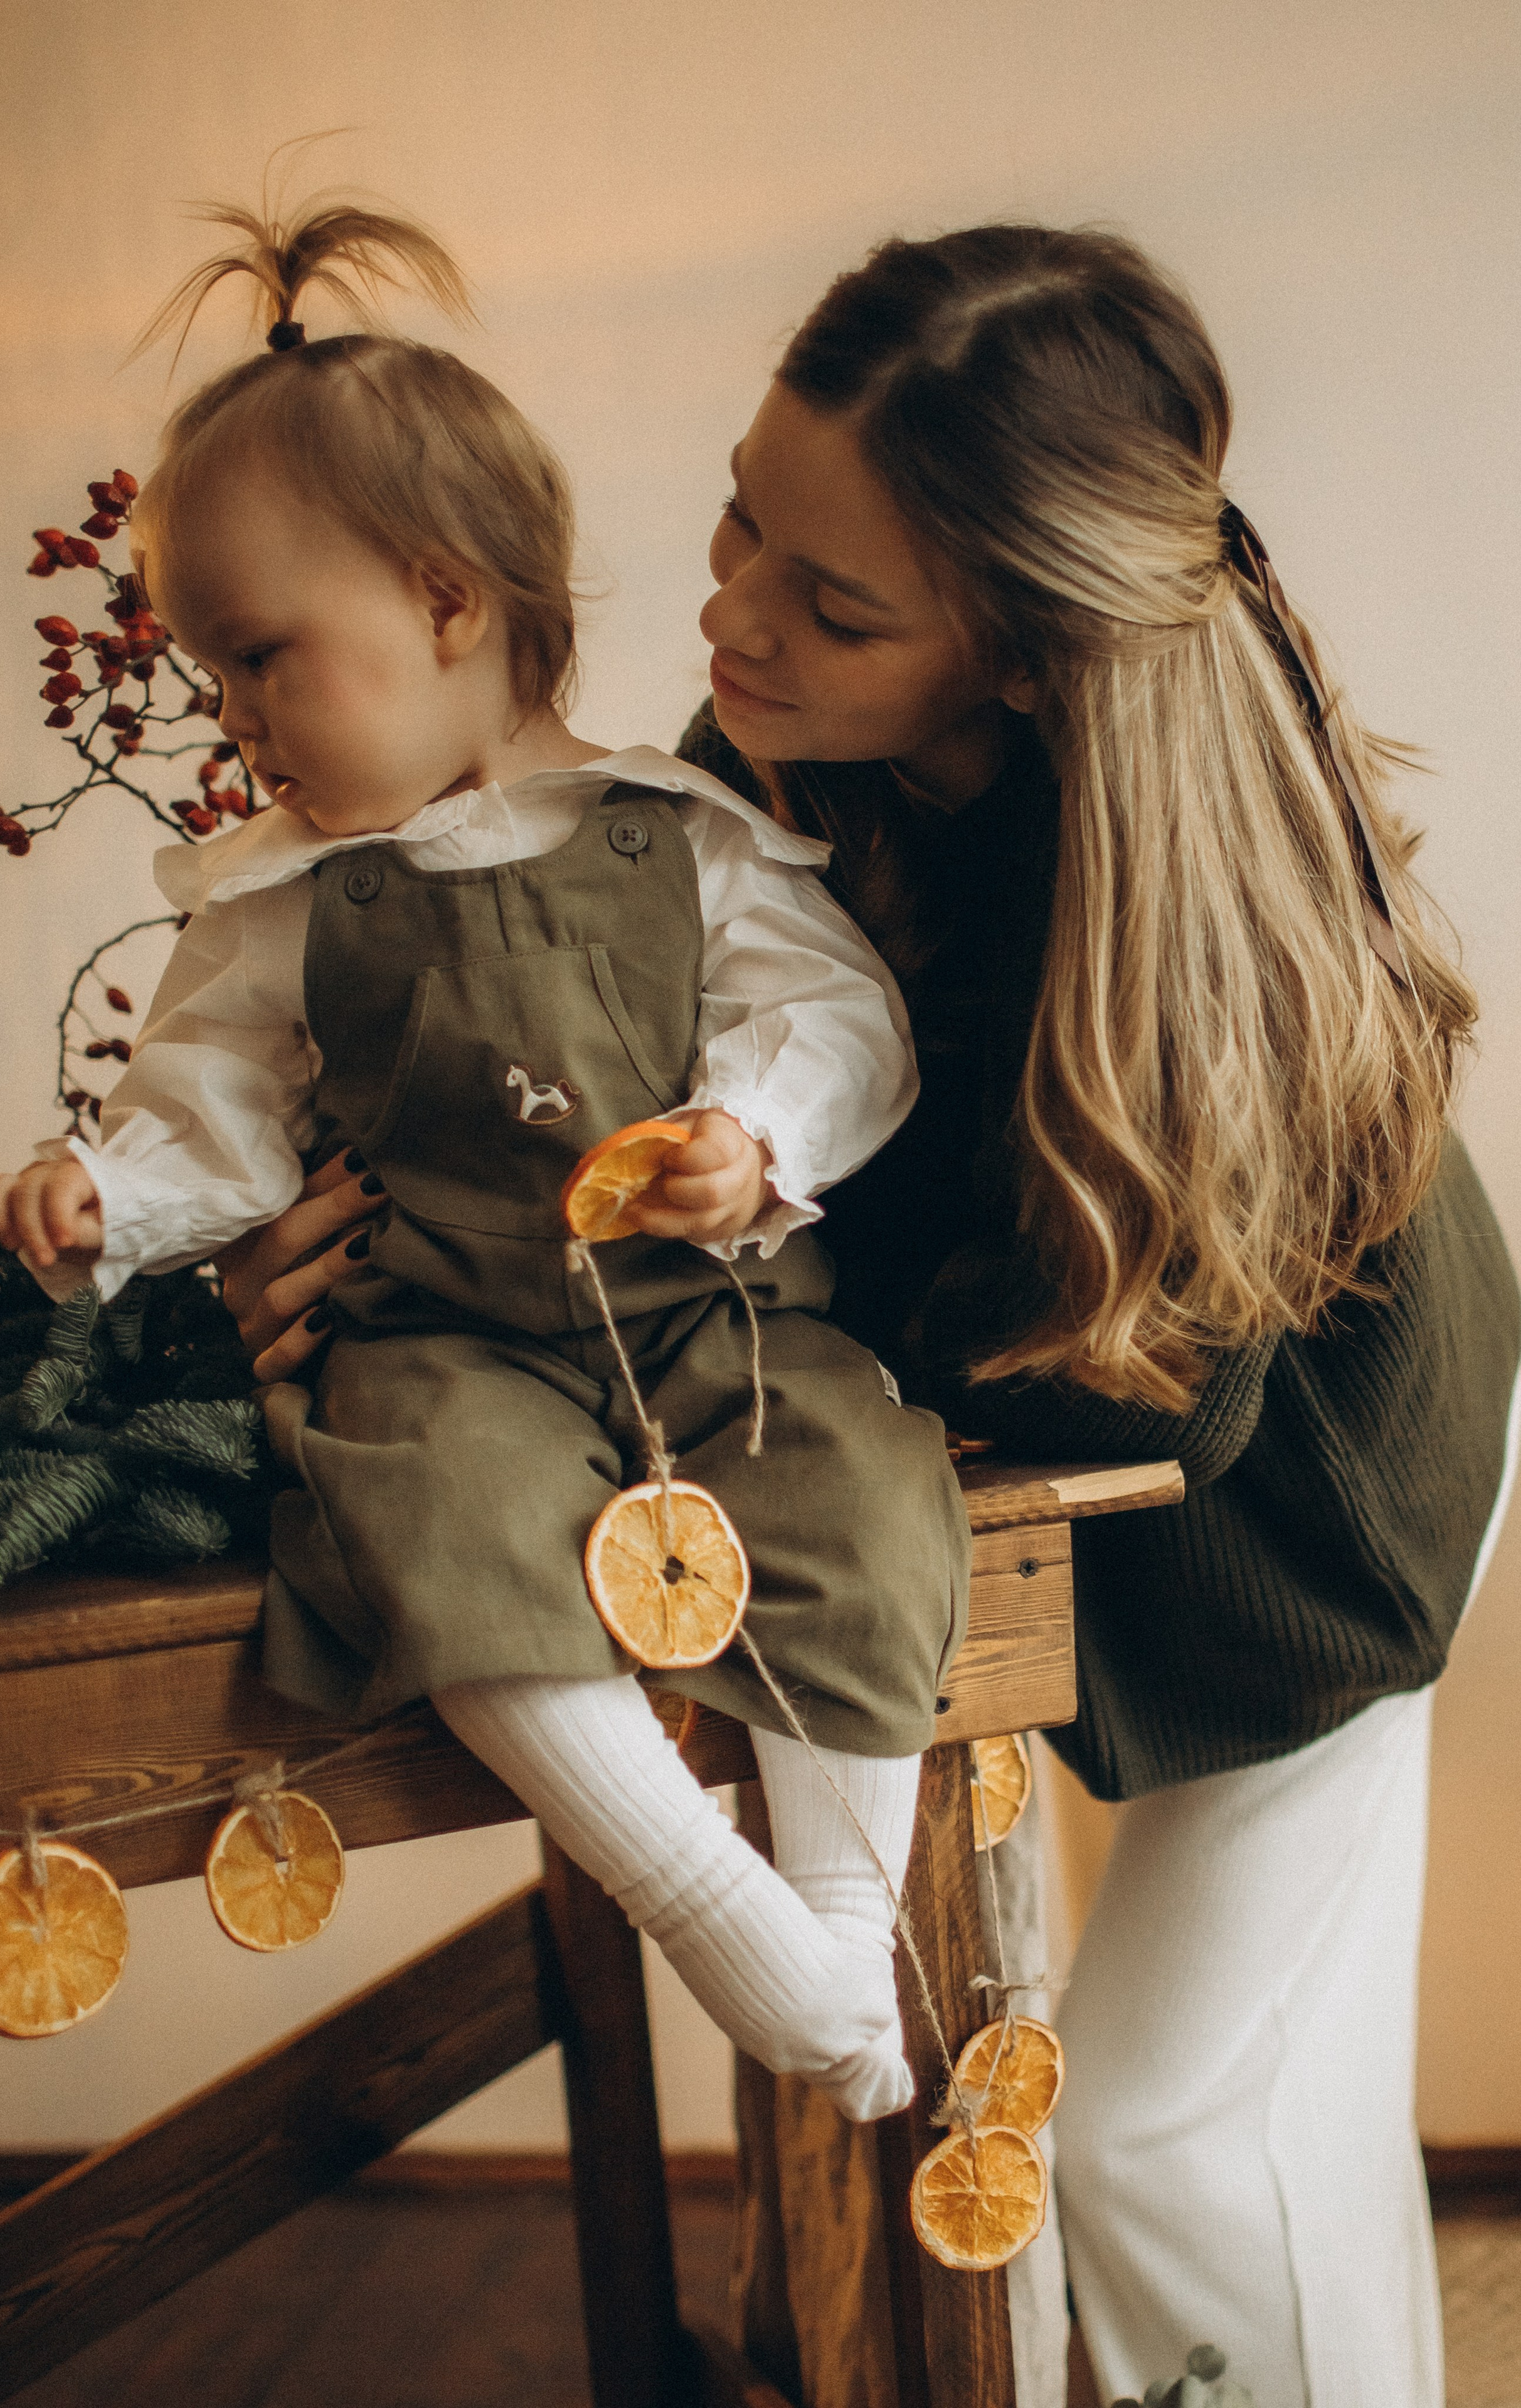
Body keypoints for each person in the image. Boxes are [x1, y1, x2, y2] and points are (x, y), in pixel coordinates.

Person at [230, 224, 1518, 2408]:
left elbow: (1126, 1403)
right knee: (1130, 2126)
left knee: (1176, 2130)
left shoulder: (1215, 934)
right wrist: (355, 1231)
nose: (730, 613)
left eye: (833, 602)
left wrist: (664, 1286)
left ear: (1022, 659)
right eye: (746, 512)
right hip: (1028, 1459)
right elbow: (596, 1079)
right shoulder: (746, 773)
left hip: (1313, 1516)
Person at [0, 199, 975, 2131]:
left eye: (260, 658)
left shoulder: (682, 835)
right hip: (458, 1347)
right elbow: (212, 1106)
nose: (233, 720)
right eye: (209, 676)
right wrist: (108, 1197)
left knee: (856, 1479)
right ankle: (696, 1891)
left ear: (444, 602)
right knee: (428, 1520)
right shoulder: (281, 906)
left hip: (715, 1324)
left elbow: (847, 1022)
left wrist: (749, 1138)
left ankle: (833, 1922)